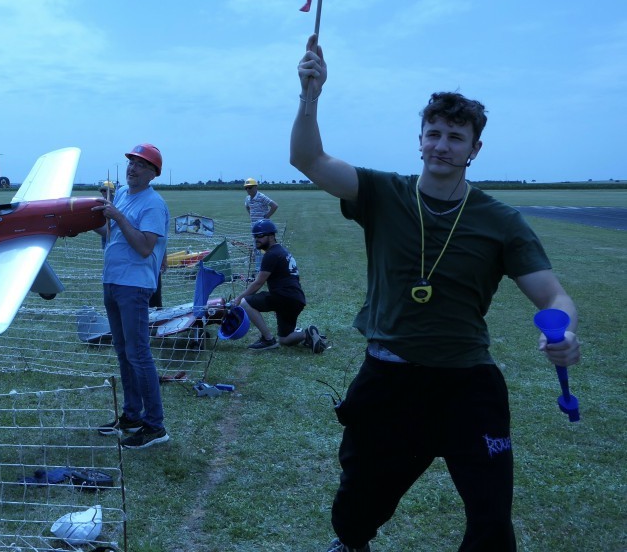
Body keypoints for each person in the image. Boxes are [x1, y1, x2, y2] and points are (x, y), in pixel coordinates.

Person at [289, 34, 581, 552]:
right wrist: (310, 94)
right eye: (434, 134)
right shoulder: (383, 193)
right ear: (420, 140)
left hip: (467, 383)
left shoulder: (500, 221)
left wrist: (566, 332)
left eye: (456, 137)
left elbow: (554, 297)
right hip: (388, 377)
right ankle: (351, 542)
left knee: (491, 516)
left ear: (474, 149)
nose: (443, 145)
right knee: (359, 500)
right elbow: (308, 159)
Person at [95, 143, 170, 449]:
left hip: (134, 286)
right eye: (131, 163)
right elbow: (112, 234)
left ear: (153, 173)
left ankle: (155, 426)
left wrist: (118, 216)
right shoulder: (124, 194)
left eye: (140, 165)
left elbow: (143, 247)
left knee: (138, 354)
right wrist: (87, 223)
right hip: (112, 281)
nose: (132, 169)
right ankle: (132, 415)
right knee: (123, 352)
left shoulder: (153, 204)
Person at [231, 218, 326, 352]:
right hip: (296, 299)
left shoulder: (271, 254)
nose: (256, 239)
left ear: (271, 236)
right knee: (285, 339)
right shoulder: (282, 251)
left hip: (284, 297)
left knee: (245, 303)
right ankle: (308, 335)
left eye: (260, 236)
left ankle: (268, 340)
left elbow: (259, 282)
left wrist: (239, 298)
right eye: (255, 236)